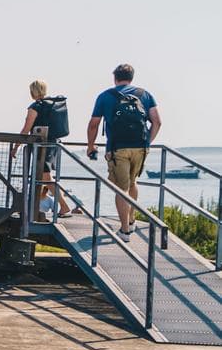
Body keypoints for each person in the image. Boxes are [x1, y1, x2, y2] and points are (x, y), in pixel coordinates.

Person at [86, 63, 160, 240]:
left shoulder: (105, 96)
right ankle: (131, 220)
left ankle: (125, 231)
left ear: (115, 78)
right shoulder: (144, 94)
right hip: (140, 147)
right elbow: (157, 122)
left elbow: (94, 124)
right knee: (133, 183)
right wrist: (147, 143)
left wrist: (91, 145)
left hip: (117, 148)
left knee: (121, 189)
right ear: (131, 78)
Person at [13, 80, 77, 222]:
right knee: (44, 177)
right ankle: (36, 208)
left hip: (41, 147)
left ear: (32, 92)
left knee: (45, 177)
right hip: (52, 144)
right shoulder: (51, 105)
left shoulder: (35, 107)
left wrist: (15, 147)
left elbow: (26, 129)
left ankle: (64, 206)